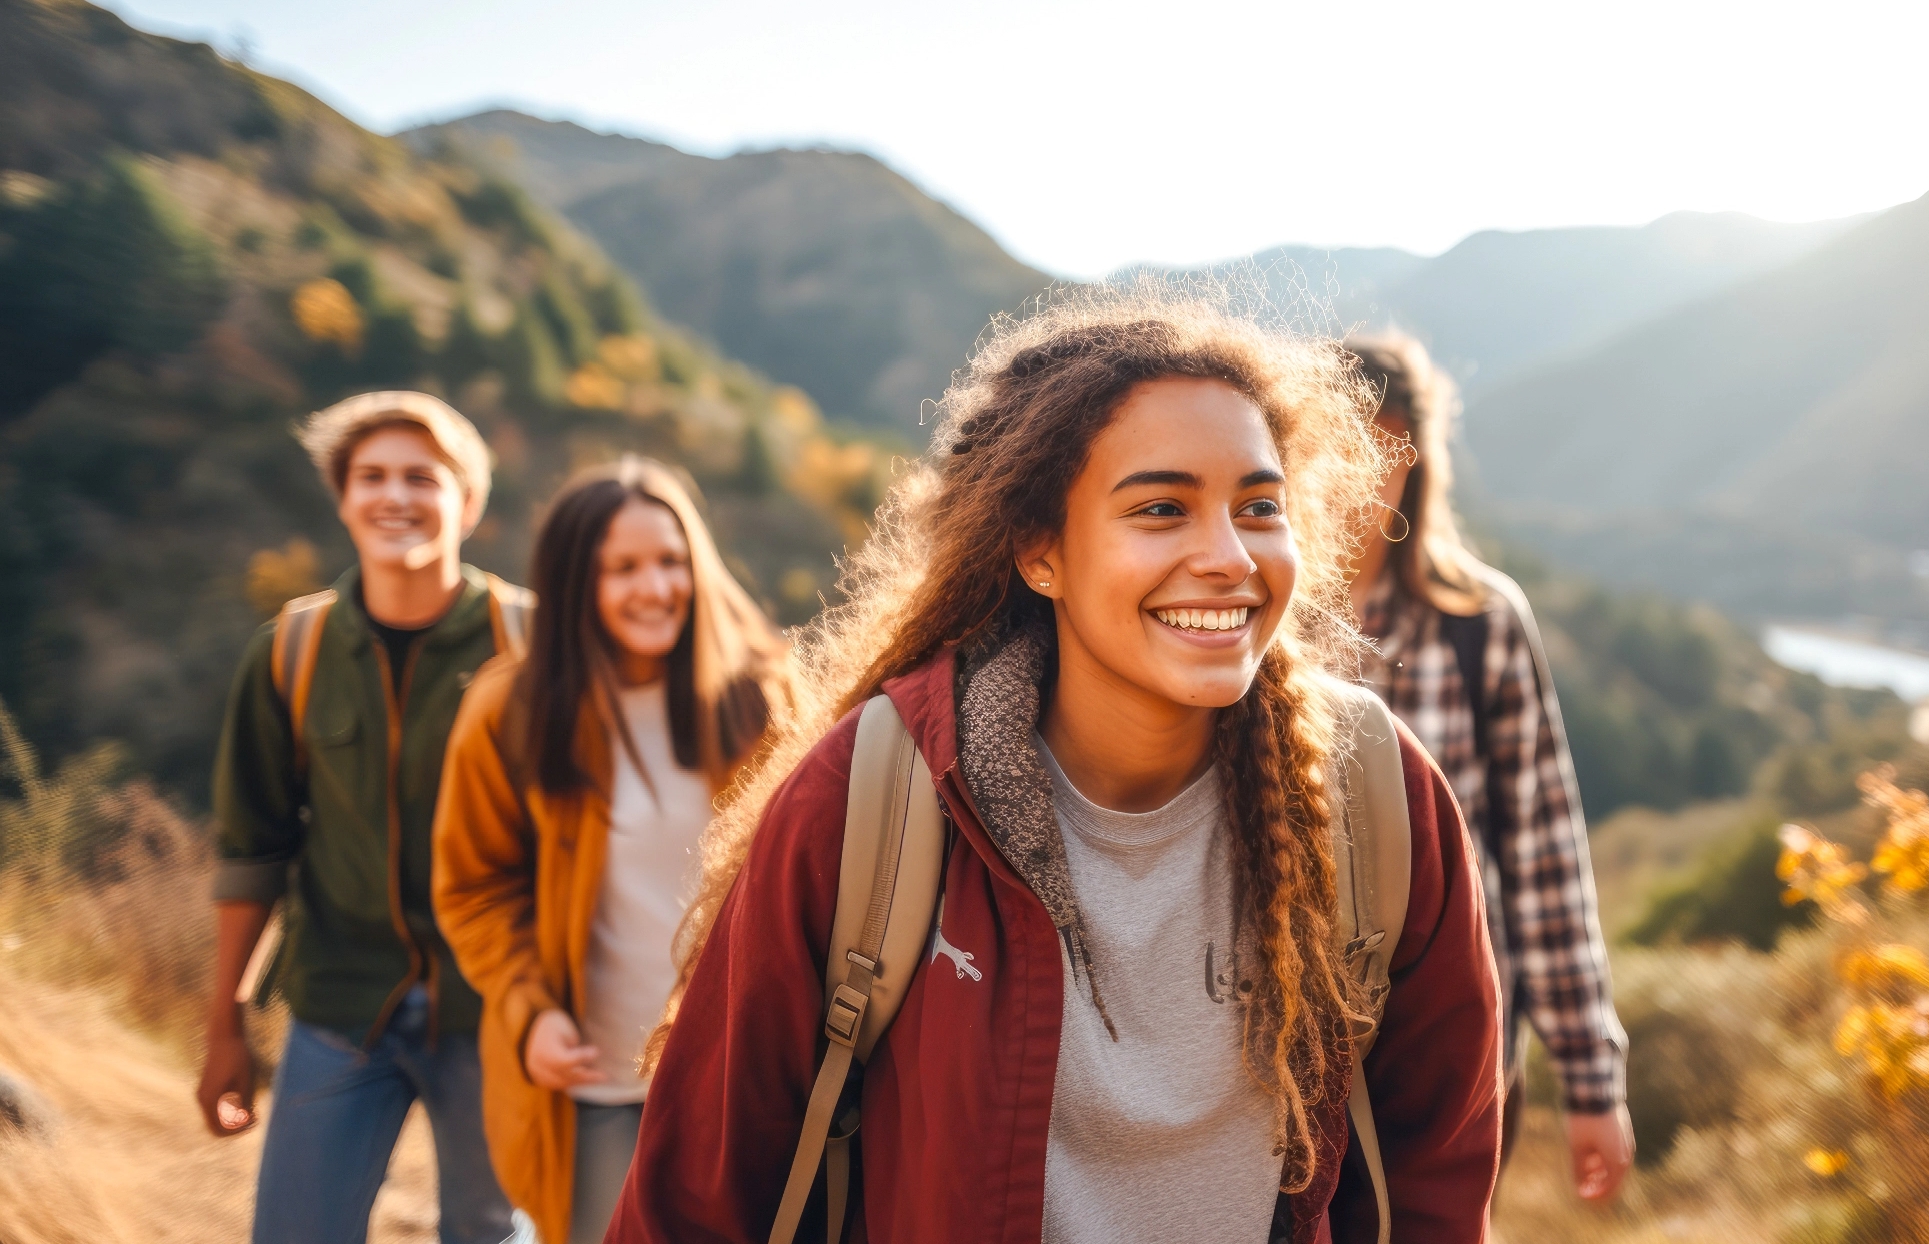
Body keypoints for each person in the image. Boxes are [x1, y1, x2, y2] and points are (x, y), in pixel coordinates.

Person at [605, 291, 1504, 1244]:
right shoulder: (877, 797)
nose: (1229, 557)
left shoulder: (1369, 793)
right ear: (1041, 551)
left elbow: (1434, 1174)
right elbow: (698, 1198)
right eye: (1161, 509)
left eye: (1260, 507)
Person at [432, 457, 791, 1244]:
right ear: (571, 584)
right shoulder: (510, 709)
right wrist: (528, 1015)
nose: (655, 588)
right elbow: (473, 887)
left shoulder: (762, 696)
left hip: (732, 1073)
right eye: (621, 568)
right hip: (594, 1075)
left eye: (670, 561)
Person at [199, 391, 521, 1244]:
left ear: (468, 502)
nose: (395, 496)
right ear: (343, 500)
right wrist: (224, 1023)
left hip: (498, 1011)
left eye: (423, 476)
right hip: (340, 1006)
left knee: (492, 1235)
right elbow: (251, 850)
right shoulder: (290, 650)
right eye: (371, 476)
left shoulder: (535, 643)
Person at [1342, 332, 1633, 1200]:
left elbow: (1545, 859)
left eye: (1388, 449)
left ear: (1419, 462)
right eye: (1342, 447)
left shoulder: (1480, 623)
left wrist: (1591, 1081)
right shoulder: (1249, 623)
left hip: (1457, 1057)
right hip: (1287, 1062)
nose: (1365, 477)